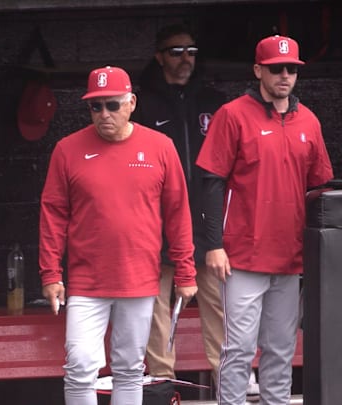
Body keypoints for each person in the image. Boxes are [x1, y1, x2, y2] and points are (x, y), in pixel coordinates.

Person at [38, 66, 198, 405]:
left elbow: (178, 213)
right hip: (86, 281)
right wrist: (50, 273)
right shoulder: (67, 149)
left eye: (112, 104)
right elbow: (53, 214)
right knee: (80, 365)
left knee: (128, 369)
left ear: (131, 103)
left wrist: (186, 270)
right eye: (95, 106)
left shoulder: (160, 147)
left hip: (139, 278)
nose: (104, 114)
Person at [196, 35, 333, 404]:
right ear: (259, 70)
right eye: (276, 69)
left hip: (289, 260)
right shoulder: (233, 114)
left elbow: (319, 191)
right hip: (241, 257)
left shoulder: (309, 121)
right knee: (238, 351)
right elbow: (210, 183)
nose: (285, 75)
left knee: (281, 351)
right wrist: (213, 245)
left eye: (291, 69)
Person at [132, 23, 227, 387]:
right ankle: (161, 381)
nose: (185, 58)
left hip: (206, 223)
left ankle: (228, 379)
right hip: (157, 223)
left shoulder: (215, 102)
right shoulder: (144, 104)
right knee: (156, 305)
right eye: (176, 51)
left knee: (218, 304)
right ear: (159, 57)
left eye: (191, 51)